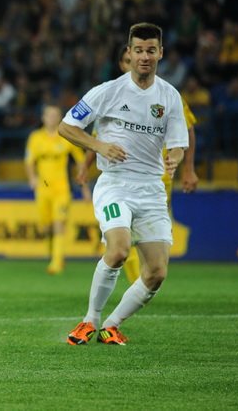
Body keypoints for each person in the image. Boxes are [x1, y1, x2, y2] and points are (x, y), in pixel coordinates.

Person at [59, 23, 188, 345]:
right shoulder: (107, 91)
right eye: (139, 50)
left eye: (151, 50)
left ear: (160, 53)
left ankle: (112, 325)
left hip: (152, 189)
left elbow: (178, 143)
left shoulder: (170, 96)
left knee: (157, 273)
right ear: (129, 53)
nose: (145, 56)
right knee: (117, 251)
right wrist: (99, 146)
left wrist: (174, 158)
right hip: (115, 185)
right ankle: (89, 321)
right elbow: (66, 126)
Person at [77, 44, 199, 284]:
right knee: (124, 238)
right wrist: (85, 164)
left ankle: (144, 283)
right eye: (126, 60)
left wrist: (188, 169)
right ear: (123, 63)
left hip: (158, 179)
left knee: (152, 243)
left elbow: (187, 130)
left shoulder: (167, 94)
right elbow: (99, 135)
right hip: (121, 177)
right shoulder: (111, 94)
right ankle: (137, 284)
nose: (132, 64)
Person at [25, 104, 90, 275]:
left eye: (55, 115)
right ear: (43, 118)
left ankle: (56, 262)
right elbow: (29, 161)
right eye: (49, 115)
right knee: (47, 227)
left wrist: (84, 188)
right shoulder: (35, 137)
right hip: (42, 189)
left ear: (60, 118)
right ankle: (52, 253)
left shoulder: (66, 136)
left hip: (62, 189)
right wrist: (32, 178)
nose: (52, 118)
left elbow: (80, 162)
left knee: (58, 224)